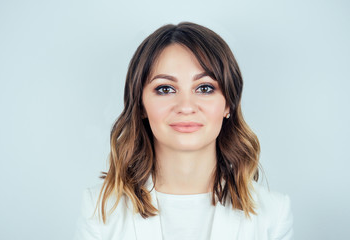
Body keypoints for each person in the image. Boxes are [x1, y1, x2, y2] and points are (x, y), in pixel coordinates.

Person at [73, 22, 294, 240]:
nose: (186, 107)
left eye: (205, 88)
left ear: (228, 104)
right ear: (141, 104)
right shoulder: (99, 210)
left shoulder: (273, 214)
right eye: (165, 89)